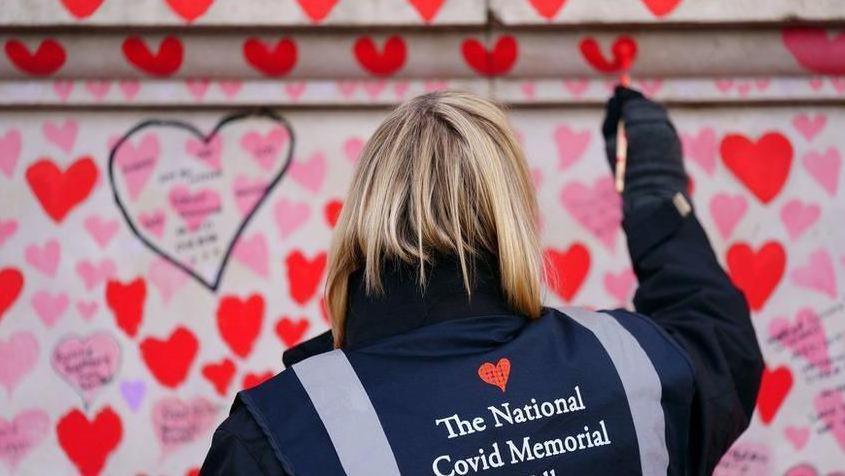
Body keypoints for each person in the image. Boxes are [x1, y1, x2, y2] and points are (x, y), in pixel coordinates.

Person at [200, 87, 764, 475]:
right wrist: (654, 186)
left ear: (362, 218)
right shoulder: (635, 368)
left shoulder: (281, 434)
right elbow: (721, 340)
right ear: (513, 214)